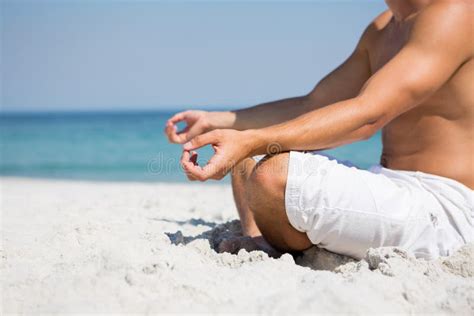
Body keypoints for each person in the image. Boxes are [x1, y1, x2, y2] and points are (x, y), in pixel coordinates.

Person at [165, 0, 473, 259]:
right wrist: (220, 121)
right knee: (248, 160)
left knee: (272, 172)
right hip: (388, 182)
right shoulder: (383, 29)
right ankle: (261, 239)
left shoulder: (456, 12)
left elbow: (369, 115)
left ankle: (277, 241)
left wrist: (252, 139)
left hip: (444, 206)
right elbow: (313, 104)